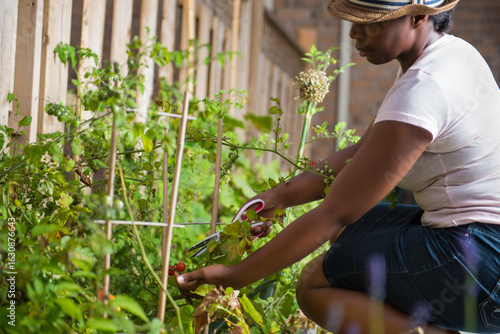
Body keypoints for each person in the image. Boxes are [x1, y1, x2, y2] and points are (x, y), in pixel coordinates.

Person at [177, 0, 500, 332]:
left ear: (419, 16)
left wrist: (234, 276)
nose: (354, 34)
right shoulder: (453, 55)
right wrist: (280, 197)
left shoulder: (425, 88)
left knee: (314, 285)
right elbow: (361, 153)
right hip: (485, 249)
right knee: (349, 238)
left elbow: (336, 213)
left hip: (484, 264)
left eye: (371, 23)